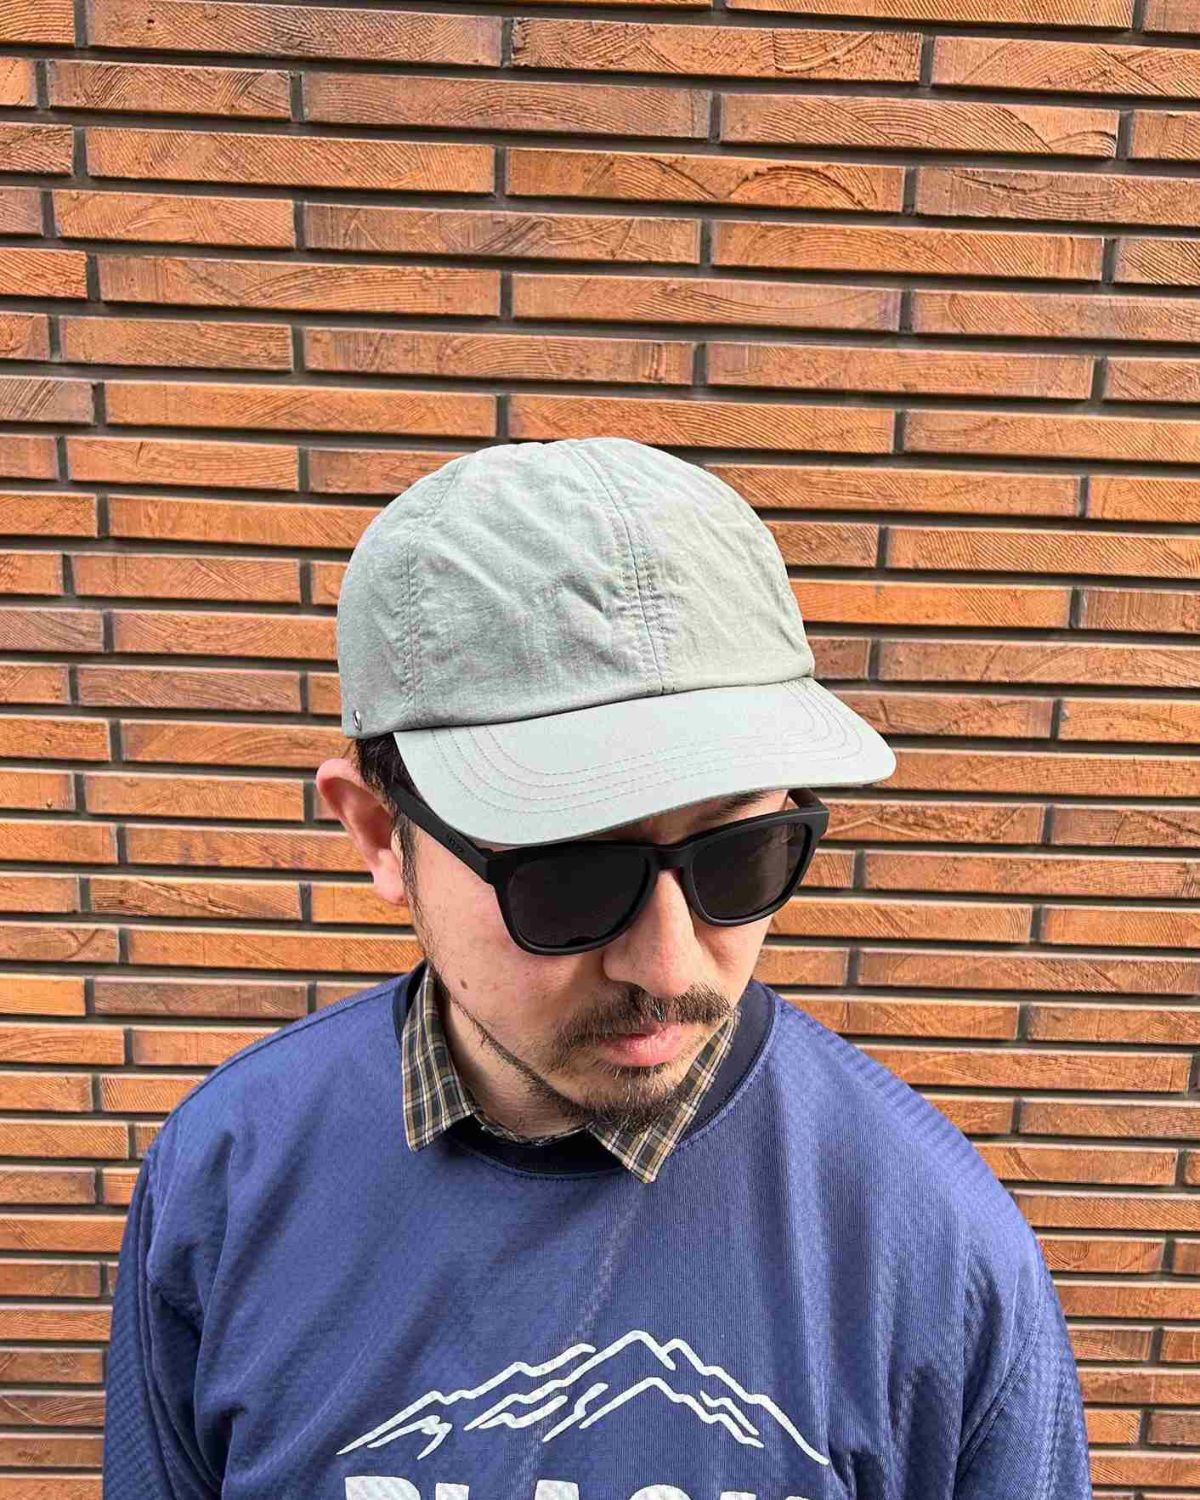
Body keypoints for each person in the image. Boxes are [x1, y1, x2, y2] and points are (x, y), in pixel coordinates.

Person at [102, 437, 1092, 1499]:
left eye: (739, 855)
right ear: (382, 834)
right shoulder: (228, 1179)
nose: (667, 962)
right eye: (569, 879)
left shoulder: (932, 1244)